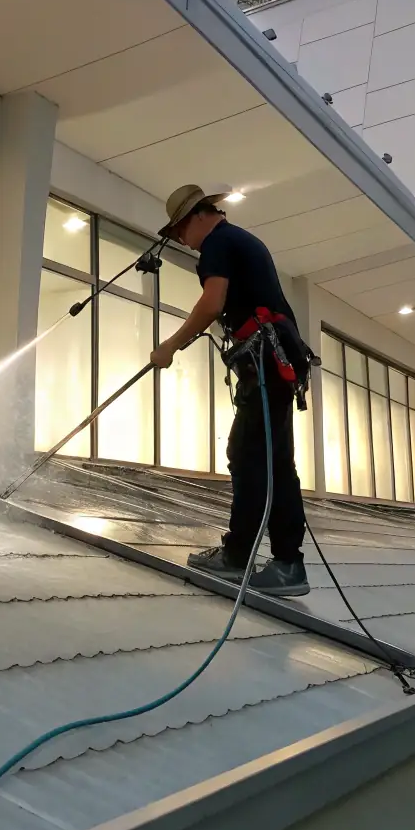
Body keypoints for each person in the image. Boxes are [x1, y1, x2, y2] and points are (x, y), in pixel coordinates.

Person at [150, 184, 310, 597]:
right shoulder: (241, 240)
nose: (182, 241)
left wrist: (170, 346)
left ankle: (266, 560)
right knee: (262, 457)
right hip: (275, 362)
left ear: (196, 217)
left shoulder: (218, 244)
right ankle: (260, 556)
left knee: (258, 457)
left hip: (267, 364)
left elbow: (210, 303)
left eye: (180, 231)